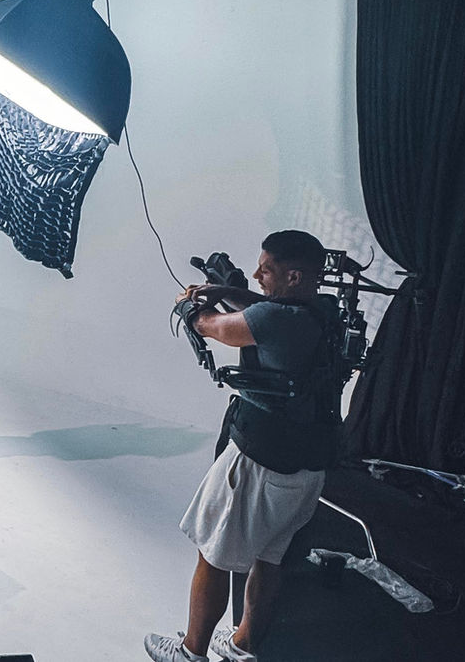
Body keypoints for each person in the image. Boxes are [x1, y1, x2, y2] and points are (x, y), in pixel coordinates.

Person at [145, 230, 345, 662]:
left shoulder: (275, 321)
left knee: (213, 555)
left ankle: (191, 652)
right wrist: (228, 290)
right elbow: (268, 309)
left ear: (294, 276)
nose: (257, 276)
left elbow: (213, 326)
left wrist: (192, 304)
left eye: (266, 270)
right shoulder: (325, 310)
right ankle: (242, 644)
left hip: (260, 462)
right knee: (270, 557)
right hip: (308, 465)